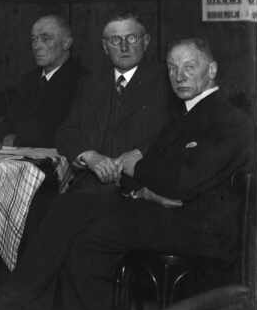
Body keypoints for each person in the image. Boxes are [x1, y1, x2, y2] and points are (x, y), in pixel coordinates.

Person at [0, 38, 252, 310]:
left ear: (212, 70)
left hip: (200, 227)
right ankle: (27, 305)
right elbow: (163, 171)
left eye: (190, 67)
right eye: (173, 68)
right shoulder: (187, 113)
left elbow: (183, 181)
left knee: (90, 237)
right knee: (71, 206)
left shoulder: (228, 118)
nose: (179, 76)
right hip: (167, 208)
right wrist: (142, 182)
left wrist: (141, 170)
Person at [55, 11, 172, 193]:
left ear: (146, 41)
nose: (124, 47)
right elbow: (67, 131)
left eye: (131, 38)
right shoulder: (90, 83)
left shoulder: (168, 80)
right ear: (105, 46)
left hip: (144, 187)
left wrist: (142, 152)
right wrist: (89, 156)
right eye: (115, 40)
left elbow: (178, 131)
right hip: (91, 186)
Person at [0, 15, 87, 148]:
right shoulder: (28, 80)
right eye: (34, 39)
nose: (37, 46)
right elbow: (8, 123)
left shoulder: (82, 81)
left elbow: (65, 134)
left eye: (46, 39)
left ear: (66, 43)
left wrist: (18, 141)